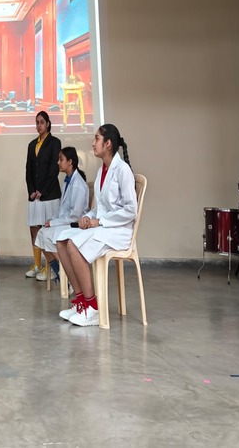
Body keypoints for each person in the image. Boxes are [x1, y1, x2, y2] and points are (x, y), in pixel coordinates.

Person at [57, 124, 137, 327]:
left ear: (108, 144)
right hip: (104, 228)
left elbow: (131, 211)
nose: (93, 143)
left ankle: (92, 307)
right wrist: (87, 217)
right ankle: (81, 301)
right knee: (62, 240)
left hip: (119, 231)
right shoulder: (102, 170)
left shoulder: (123, 170)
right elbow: (100, 208)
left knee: (73, 245)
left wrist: (99, 221)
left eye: (96, 139)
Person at [34, 147, 89, 282]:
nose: (58, 162)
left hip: (75, 225)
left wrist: (54, 223)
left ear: (70, 162)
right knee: (41, 233)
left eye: (61, 159)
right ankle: (60, 272)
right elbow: (63, 208)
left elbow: (75, 216)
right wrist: (52, 220)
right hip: (67, 222)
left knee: (48, 236)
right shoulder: (67, 181)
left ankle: (68, 276)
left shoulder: (78, 184)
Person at [25, 110, 61, 279]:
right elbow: (28, 170)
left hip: (50, 195)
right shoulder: (32, 144)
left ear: (48, 124)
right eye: (37, 122)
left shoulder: (55, 142)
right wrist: (32, 190)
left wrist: (43, 190)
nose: (39, 125)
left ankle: (50, 268)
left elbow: (54, 169)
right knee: (34, 229)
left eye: (41, 122)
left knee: (48, 231)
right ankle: (37, 264)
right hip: (35, 197)